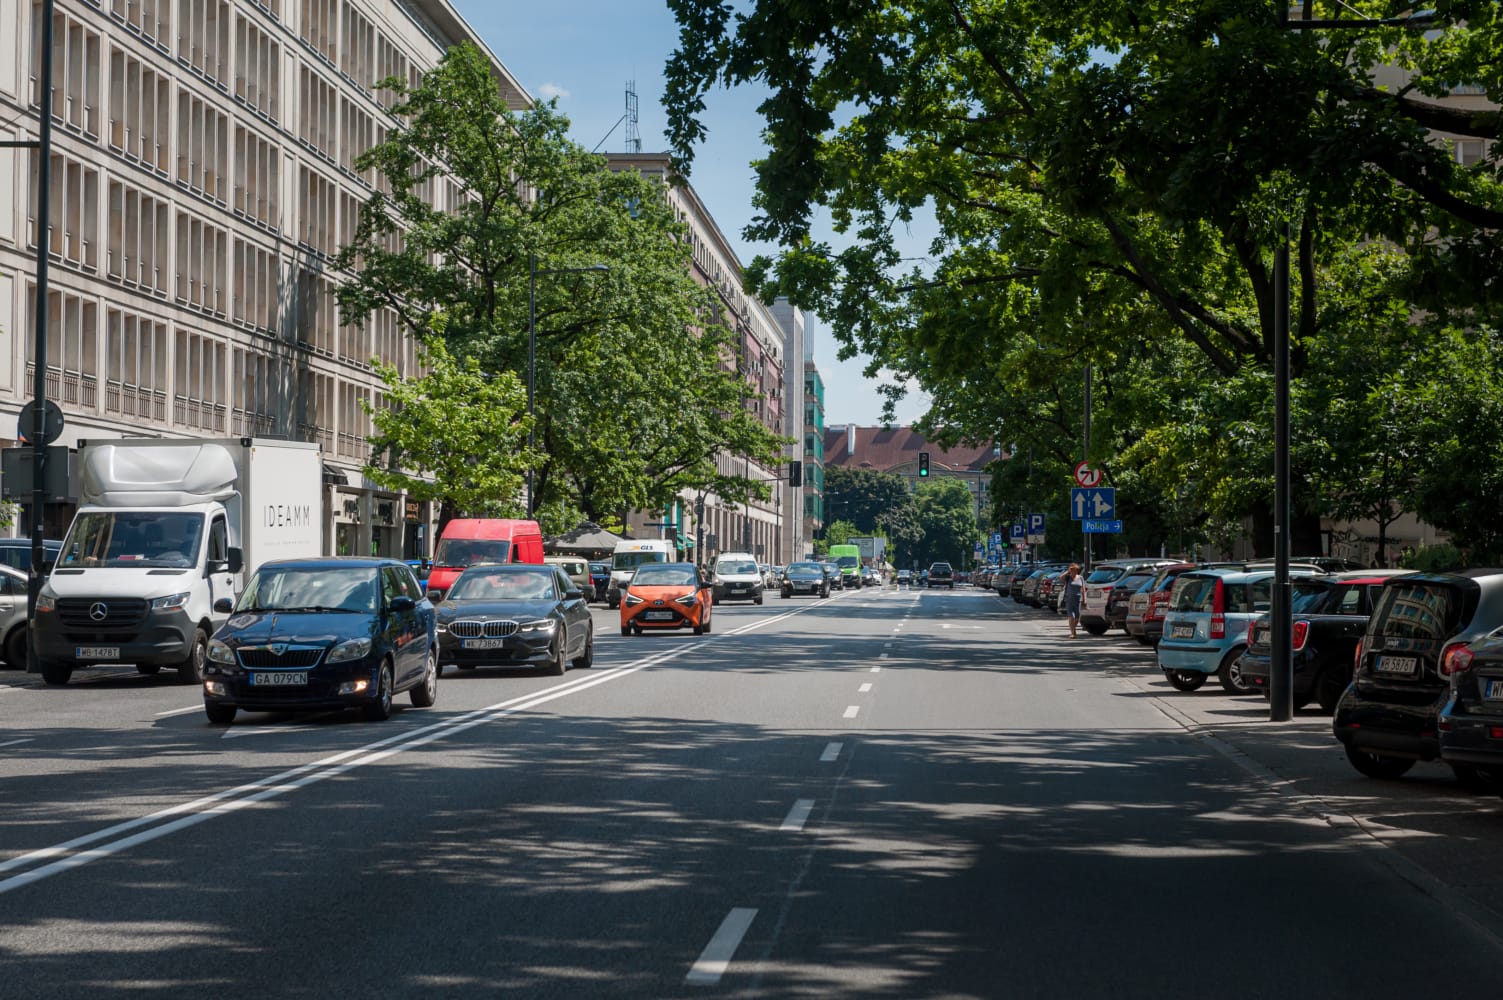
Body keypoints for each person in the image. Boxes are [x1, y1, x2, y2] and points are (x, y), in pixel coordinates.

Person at [1062, 563, 1084, 639]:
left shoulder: (1080, 577)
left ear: (1077, 570)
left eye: (1074, 570)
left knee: (1077, 617)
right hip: (1069, 599)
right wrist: (1067, 571)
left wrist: (1085, 600)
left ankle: (1073, 629)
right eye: (1071, 570)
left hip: (1078, 600)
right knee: (1071, 616)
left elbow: (1083, 589)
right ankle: (1072, 633)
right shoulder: (1068, 578)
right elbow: (1060, 577)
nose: (1073, 571)